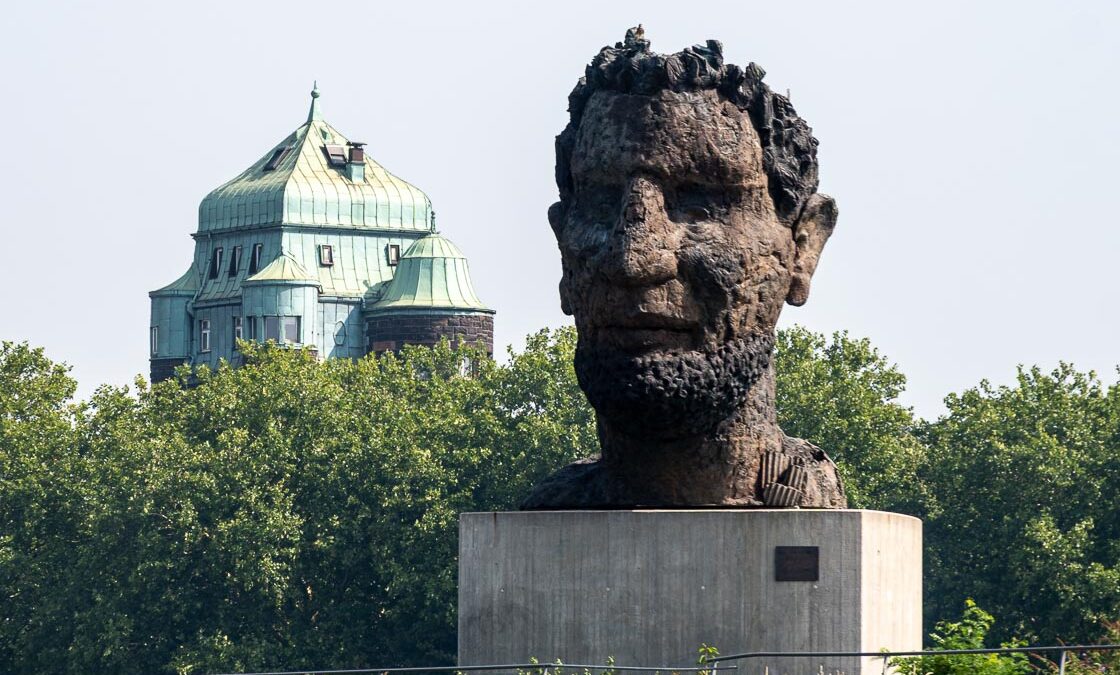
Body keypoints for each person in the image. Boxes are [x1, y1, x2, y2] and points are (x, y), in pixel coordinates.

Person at [522, 29, 846, 509]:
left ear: (803, 248)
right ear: (561, 244)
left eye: (700, 202)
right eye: (603, 199)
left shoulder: (814, 511)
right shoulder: (544, 522)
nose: (635, 260)